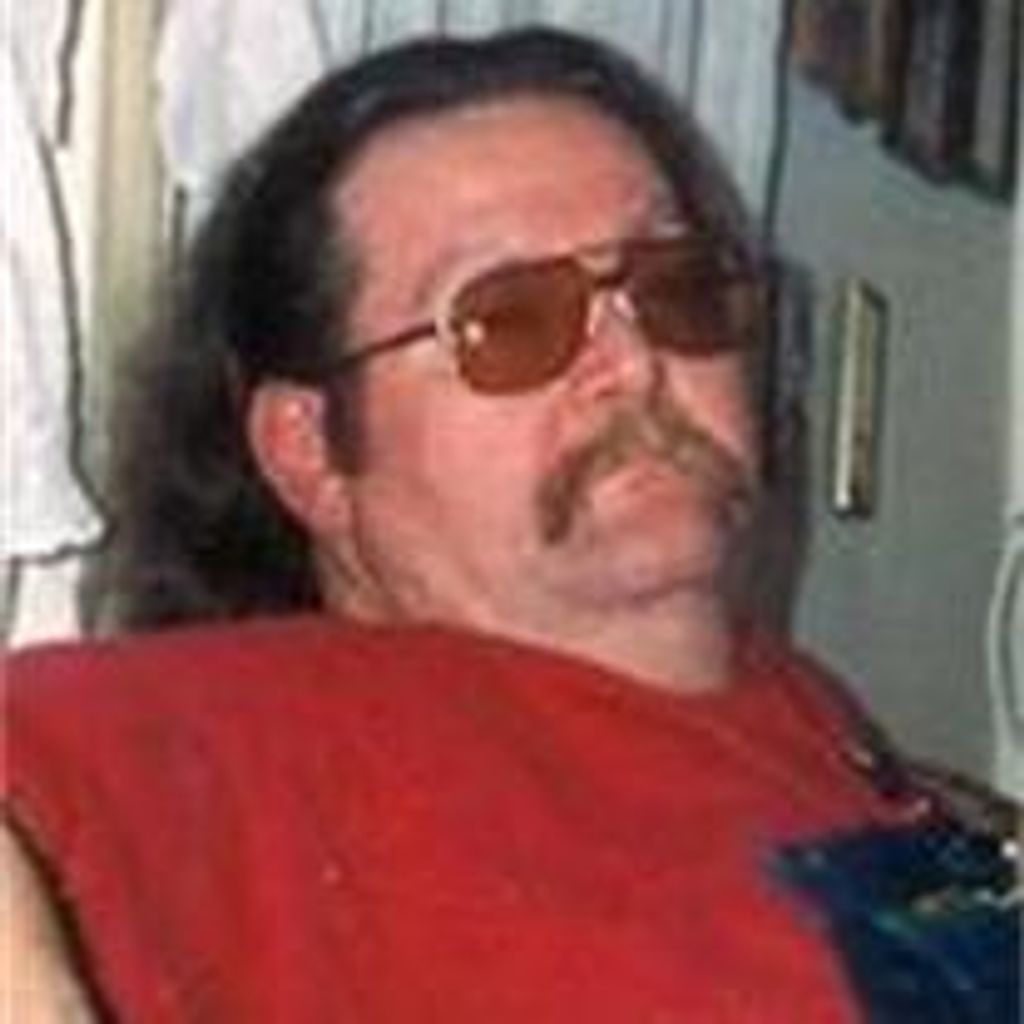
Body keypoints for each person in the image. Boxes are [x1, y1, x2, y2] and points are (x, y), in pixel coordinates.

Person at [3, 26, 1001, 1024]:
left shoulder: (808, 717)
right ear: (310, 451)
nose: (635, 363)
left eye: (676, 289)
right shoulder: (257, 739)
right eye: (511, 321)